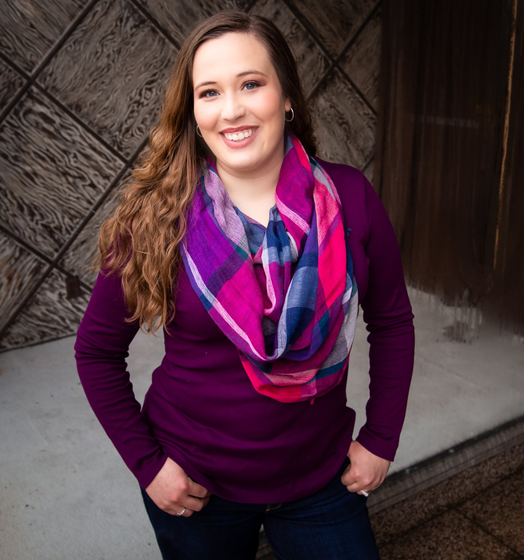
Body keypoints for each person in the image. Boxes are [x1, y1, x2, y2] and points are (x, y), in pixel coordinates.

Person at [74, 10, 415, 560]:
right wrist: (149, 466)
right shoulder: (156, 218)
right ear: (193, 111)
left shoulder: (352, 198)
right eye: (209, 92)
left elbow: (394, 321)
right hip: (196, 485)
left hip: (321, 478)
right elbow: (96, 352)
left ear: (286, 96)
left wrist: (381, 438)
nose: (231, 109)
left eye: (250, 84)